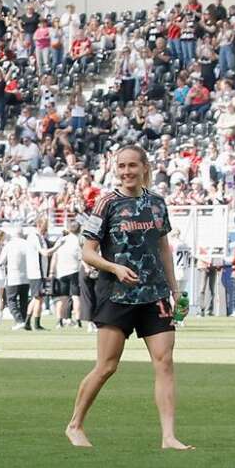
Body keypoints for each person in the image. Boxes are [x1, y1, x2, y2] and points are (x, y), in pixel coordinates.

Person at [66, 146, 190, 450]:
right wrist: (115, 268)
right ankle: (75, 424)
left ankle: (168, 436)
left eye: (132, 165)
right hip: (116, 293)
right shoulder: (106, 203)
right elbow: (87, 251)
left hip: (154, 294)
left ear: (144, 167)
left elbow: (163, 249)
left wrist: (174, 289)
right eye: (121, 166)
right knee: (107, 366)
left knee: (164, 362)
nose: (126, 172)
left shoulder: (157, 204)